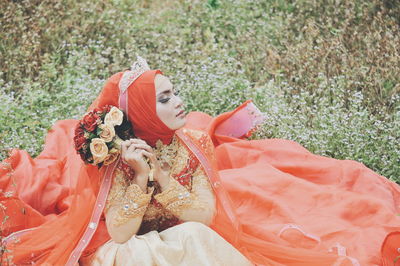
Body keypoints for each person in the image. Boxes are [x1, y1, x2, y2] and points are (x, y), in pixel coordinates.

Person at [1, 57, 399, 265]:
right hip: (130, 247)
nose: (178, 103)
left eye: (174, 92)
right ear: (139, 111)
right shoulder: (119, 154)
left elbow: (204, 216)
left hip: (186, 236)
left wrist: (162, 175)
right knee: (132, 255)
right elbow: (121, 235)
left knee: (195, 238)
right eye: (163, 98)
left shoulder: (192, 142)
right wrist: (140, 177)